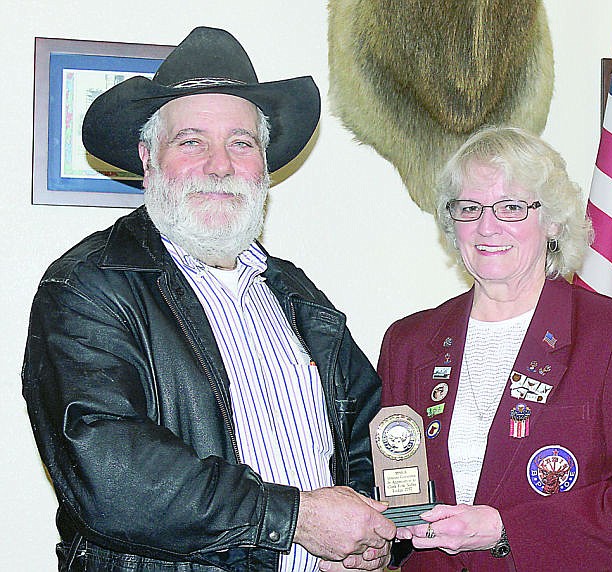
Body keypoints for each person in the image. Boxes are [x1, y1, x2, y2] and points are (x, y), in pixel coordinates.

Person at [22, 27, 394, 572]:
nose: (220, 165)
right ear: (149, 157)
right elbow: (109, 469)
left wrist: (370, 536)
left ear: (264, 165)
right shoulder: (86, 287)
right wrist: (295, 518)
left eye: (241, 143)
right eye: (192, 141)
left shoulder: (299, 296)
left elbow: (367, 434)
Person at [377, 126, 612, 571]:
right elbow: (393, 489)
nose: (487, 227)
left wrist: (505, 529)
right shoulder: (409, 342)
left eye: (512, 207)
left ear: (554, 221)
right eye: (470, 208)